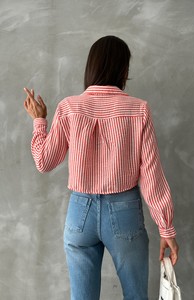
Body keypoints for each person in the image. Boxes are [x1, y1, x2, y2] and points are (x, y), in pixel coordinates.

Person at [23, 35, 179, 300]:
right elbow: (151, 176)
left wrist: (39, 121)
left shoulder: (69, 107)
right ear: (124, 70)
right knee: (136, 296)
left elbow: (44, 162)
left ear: (91, 67)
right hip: (124, 210)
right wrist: (166, 228)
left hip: (79, 213)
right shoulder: (138, 110)